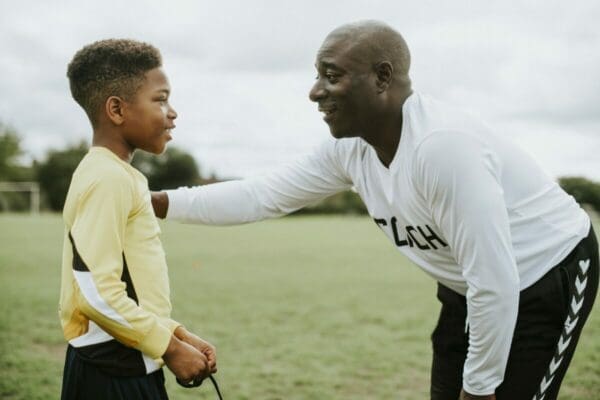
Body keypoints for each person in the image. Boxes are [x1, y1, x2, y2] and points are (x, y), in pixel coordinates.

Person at [152, 21, 598, 400]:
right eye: (316, 76)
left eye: (331, 75)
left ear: (383, 77)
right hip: (471, 285)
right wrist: (157, 202)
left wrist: (480, 389)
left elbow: (497, 281)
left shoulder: (441, 149)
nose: (314, 92)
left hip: (545, 271)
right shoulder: (351, 150)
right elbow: (261, 195)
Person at [59, 39, 217, 400]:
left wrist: (175, 333)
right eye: (161, 99)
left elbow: (132, 288)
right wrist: (170, 349)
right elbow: (95, 291)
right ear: (116, 109)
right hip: (112, 372)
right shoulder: (107, 178)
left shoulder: (119, 175)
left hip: (131, 361)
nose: (172, 112)